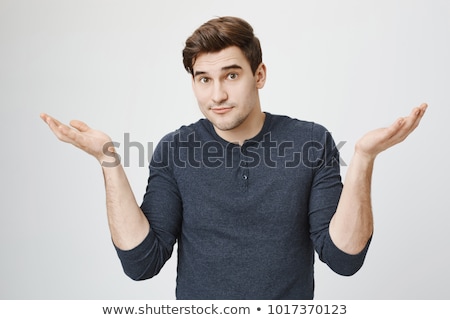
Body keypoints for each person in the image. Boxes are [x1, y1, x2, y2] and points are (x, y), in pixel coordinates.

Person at [40, 16, 427, 299]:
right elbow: (142, 264)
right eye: (203, 79)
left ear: (258, 75)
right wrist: (108, 160)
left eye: (231, 75)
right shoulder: (175, 149)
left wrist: (363, 158)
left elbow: (344, 259)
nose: (217, 96)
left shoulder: (311, 141)